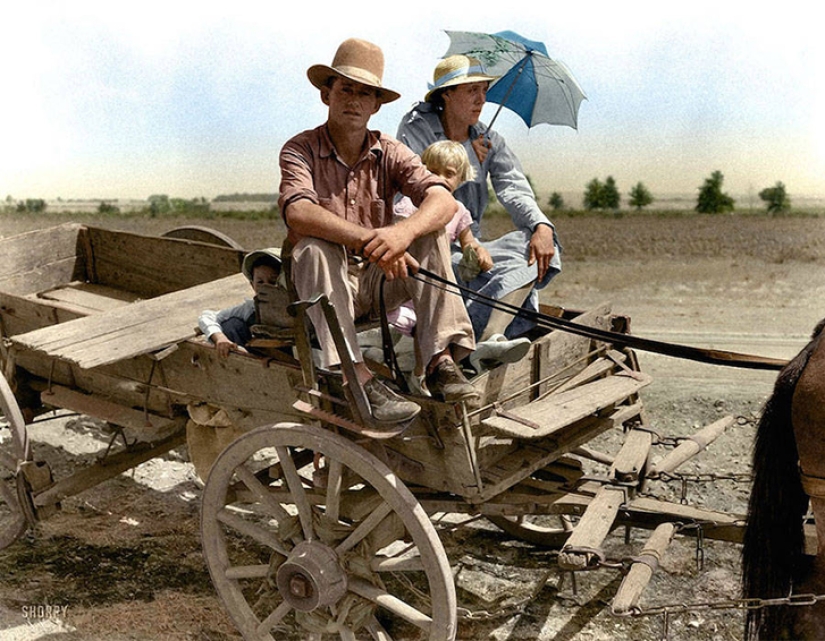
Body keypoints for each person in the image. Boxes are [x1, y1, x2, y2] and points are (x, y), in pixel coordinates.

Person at [278, 38, 479, 429]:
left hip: (376, 284)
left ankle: (439, 362)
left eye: (365, 93)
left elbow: (443, 202)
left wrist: (402, 234)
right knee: (316, 249)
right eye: (346, 89)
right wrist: (373, 241)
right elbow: (299, 212)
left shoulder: (390, 151)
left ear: (376, 105)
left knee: (430, 232)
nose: (354, 100)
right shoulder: (299, 149)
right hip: (320, 291)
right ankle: (354, 375)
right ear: (327, 95)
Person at [396, 54, 562, 341]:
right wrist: (467, 153)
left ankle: (491, 337)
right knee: (493, 282)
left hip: (470, 244)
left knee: (536, 245)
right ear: (446, 94)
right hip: (428, 246)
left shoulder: (489, 139)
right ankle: (474, 329)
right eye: (472, 90)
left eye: (485, 90)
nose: (481, 99)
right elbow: (420, 180)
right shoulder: (415, 127)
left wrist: (540, 226)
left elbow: (513, 186)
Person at [392, 140, 531, 375]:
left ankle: (473, 352)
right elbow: (398, 234)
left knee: (446, 314)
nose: (441, 179)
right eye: (433, 172)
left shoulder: (458, 210)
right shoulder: (409, 205)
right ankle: (418, 361)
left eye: (449, 174)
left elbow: (469, 242)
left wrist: (479, 251)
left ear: (461, 179)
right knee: (407, 323)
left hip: (439, 283)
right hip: (409, 280)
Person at [198, 248, 283, 358]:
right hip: (260, 362)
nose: (266, 287)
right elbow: (207, 316)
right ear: (252, 285)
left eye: (273, 282)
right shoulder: (250, 308)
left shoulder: (295, 309)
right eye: (260, 282)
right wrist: (220, 338)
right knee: (230, 325)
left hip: (292, 363)